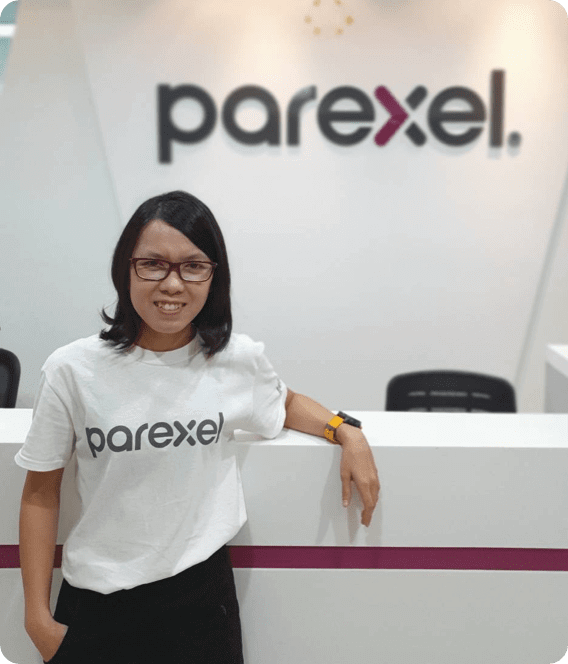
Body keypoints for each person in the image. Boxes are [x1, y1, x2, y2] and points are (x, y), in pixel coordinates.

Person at [15, 190, 380, 664]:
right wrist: (37, 620)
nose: (172, 284)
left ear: (213, 278)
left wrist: (346, 431)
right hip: (97, 605)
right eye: (153, 264)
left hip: (201, 603)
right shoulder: (72, 369)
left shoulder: (234, 360)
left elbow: (284, 401)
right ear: (126, 269)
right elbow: (40, 491)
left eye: (193, 266)